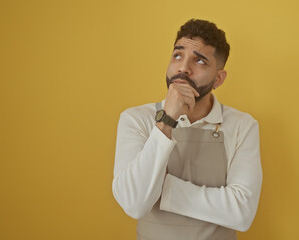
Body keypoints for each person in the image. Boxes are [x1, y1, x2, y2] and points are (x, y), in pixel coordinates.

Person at [112, 19, 262, 240]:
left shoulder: (242, 125)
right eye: (177, 55)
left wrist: (163, 188)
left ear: (218, 78)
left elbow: (241, 213)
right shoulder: (136, 119)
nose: (183, 68)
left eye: (199, 61)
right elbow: (134, 205)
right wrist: (167, 120)